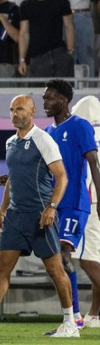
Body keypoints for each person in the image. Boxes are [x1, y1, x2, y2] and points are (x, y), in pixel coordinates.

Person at [0, 95, 77, 338]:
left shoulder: (43, 139)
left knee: (55, 270)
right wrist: (1, 212)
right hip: (15, 218)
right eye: (11, 110)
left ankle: (70, 323)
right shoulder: (10, 142)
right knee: (1, 268)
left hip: (40, 216)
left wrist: (51, 207)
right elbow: (13, 180)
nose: (14, 114)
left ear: (32, 111)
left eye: (19, 109)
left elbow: (62, 177)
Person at [42, 79, 100, 331]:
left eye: (49, 97)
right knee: (60, 259)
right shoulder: (48, 132)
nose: (44, 102)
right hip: (56, 205)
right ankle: (79, 317)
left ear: (64, 101)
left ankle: (73, 319)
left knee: (71, 257)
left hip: (78, 203)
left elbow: (93, 163)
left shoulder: (81, 126)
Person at [19, 0, 75, 78]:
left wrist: (70, 52)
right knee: (40, 94)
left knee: (63, 93)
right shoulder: (26, 5)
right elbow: (24, 33)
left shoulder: (60, 1)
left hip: (59, 53)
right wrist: (22, 59)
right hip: (38, 56)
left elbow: (69, 26)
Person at [73, 96, 100, 326]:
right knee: (97, 259)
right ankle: (94, 314)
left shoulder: (83, 135)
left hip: (91, 205)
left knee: (86, 259)